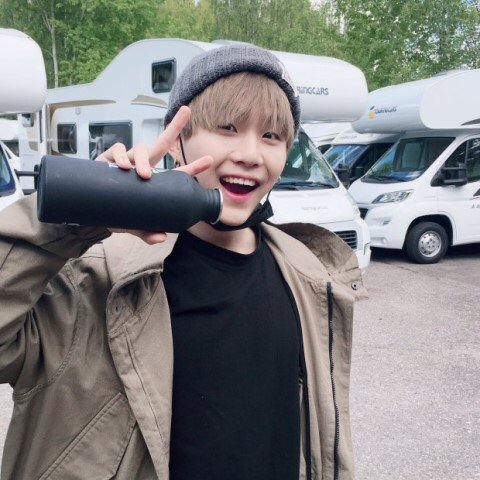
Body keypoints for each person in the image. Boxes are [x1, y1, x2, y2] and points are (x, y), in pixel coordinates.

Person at [0, 44, 366, 480]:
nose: (251, 154)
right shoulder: (96, 273)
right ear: (178, 142)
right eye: (228, 127)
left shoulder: (308, 276)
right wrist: (77, 217)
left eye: (271, 136)